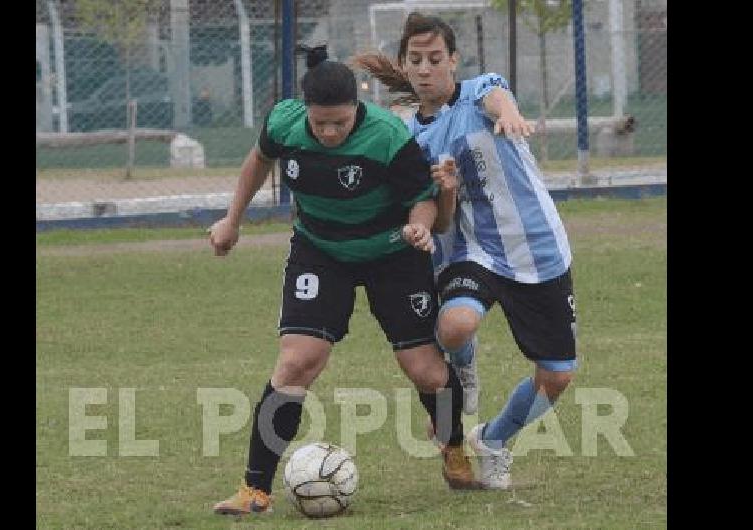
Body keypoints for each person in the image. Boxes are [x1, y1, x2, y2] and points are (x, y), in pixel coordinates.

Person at [209, 45, 477, 516]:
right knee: (296, 363)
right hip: (320, 249)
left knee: (425, 370)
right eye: (321, 124)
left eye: (340, 123)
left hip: (393, 253)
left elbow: (424, 199)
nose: (330, 132)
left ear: (358, 108)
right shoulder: (283, 123)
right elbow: (257, 160)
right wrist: (232, 219)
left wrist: (418, 223)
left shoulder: (388, 137)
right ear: (306, 112)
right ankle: (255, 489)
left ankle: (453, 449)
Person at [354, 12, 577, 490]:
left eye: (436, 58)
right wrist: (446, 191)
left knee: (557, 376)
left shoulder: (481, 92)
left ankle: (493, 440)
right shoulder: (409, 136)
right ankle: (464, 367)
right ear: (405, 65)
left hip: (540, 249)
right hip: (474, 250)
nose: (426, 68)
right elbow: (443, 216)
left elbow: (497, 100)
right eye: (416, 60)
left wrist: (510, 115)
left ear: (454, 60)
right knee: (455, 327)